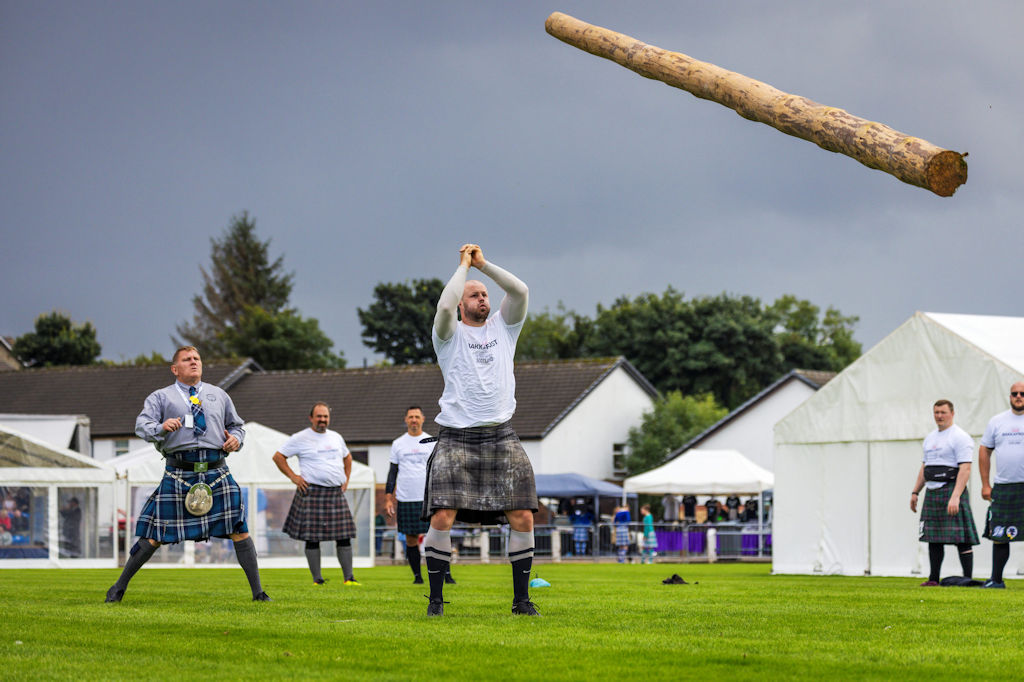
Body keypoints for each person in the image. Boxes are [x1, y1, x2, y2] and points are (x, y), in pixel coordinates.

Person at [420, 243, 539, 616]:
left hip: (501, 433)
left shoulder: (505, 328)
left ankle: (522, 601)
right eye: (474, 294)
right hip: (456, 435)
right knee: (442, 516)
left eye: (485, 294)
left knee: (524, 514)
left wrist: (483, 266)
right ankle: (436, 600)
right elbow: (442, 306)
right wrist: (462, 267)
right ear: (462, 303)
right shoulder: (448, 334)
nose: (482, 298)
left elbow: (520, 291)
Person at [106, 346, 269, 603]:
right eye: (187, 359)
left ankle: (259, 593)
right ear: (175, 369)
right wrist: (161, 426)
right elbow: (141, 426)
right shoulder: (161, 397)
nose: (194, 362)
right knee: (154, 535)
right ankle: (118, 588)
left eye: (197, 358)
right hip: (179, 472)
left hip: (217, 471)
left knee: (239, 527)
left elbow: (237, 426)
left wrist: (236, 439)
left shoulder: (219, 395)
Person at [272, 402, 360, 586]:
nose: (323, 420)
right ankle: (317, 580)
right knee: (312, 537)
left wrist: (346, 478)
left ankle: (349, 579)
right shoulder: (300, 437)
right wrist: (294, 477)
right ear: (311, 418)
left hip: (335, 492)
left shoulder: (336, 437)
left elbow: (348, 457)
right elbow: (278, 457)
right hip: (312, 492)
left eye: (325, 416)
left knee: (344, 535)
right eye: (319, 416)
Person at [909, 399, 979, 586]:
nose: (939, 416)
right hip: (932, 491)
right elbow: (925, 467)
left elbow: (965, 469)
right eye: (936, 412)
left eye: (943, 412)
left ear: (952, 413)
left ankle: (968, 578)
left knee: (962, 538)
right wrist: (915, 491)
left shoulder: (960, 437)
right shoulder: (930, 438)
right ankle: (933, 579)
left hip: (951, 489)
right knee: (934, 538)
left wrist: (955, 495)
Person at [385, 406, 455, 585]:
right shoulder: (398, 443)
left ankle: (446, 574)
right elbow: (392, 472)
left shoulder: (431, 441)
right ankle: (417, 576)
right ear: (406, 420)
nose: (414, 420)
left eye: (417, 416)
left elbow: (441, 468)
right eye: (410, 417)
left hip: (429, 496)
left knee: (438, 535)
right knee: (411, 538)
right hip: (406, 497)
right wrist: (388, 497)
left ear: (423, 419)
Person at [978, 382, 1024, 588]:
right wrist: (985, 484)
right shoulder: (997, 421)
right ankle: (996, 580)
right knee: (1000, 534)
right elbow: (984, 451)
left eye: (1022, 393)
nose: (1018, 396)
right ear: (1010, 396)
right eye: (1014, 393)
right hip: (1004, 486)